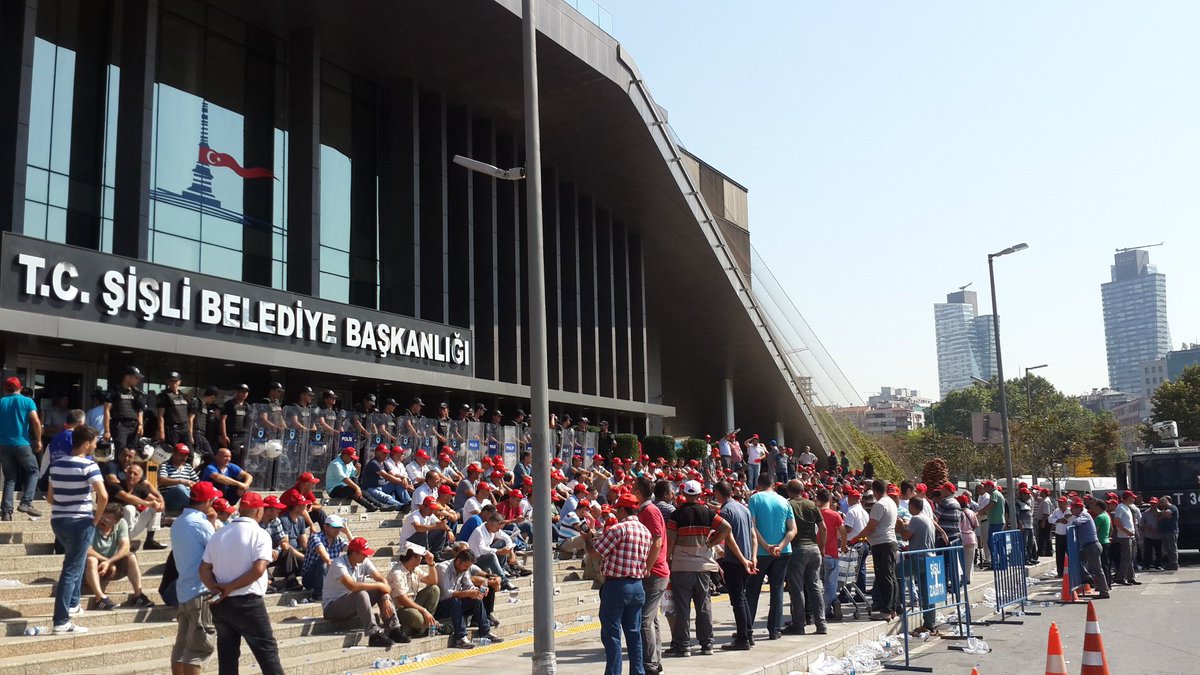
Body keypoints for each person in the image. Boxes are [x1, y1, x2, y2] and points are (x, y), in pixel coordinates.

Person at [200, 492, 285, 675]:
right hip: (248, 603)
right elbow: (259, 569)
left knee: (227, 656)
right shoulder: (259, 534)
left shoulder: (219, 534)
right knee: (268, 654)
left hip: (222, 603)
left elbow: (204, 569)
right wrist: (229, 587)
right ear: (259, 512)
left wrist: (216, 589)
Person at [665, 479, 736, 657]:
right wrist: (711, 543)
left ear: (685, 494)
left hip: (681, 566)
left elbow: (671, 541)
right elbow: (727, 528)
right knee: (703, 605)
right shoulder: (707, 513)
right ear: (699, 494)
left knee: (682, 607)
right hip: (703, 566)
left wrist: (666, 561)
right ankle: (707, 644)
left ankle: (684, 645)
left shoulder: (677, 515)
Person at [46, 425, 106, 633]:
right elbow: (104, 496)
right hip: (80, 521)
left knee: (76, 562)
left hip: (58, 521)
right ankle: (61, 621)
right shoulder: (89, 466)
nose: (96, 445)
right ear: (87, 443)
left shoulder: (56, 465)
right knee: (70, 570)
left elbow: (50, 498)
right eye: (95, 442)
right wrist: (96, 519)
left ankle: (73, 604)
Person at [584, 492, 651, 675]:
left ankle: (614, 672)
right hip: (637, 585)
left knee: (612, 634)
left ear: (622, 509)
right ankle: (638, 671)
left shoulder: (618, 529)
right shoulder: (645, 531)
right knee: (634, 633)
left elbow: (595, 553)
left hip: (616, 586)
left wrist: (587, 539)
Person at [170, 481, 220, 675]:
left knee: (182, 646)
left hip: (184, 589)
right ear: (207, 501)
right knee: (198, 647)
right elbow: (216, 551)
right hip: (200, 590)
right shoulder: (200, 523)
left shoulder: (179, 522)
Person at [322, 536, 404, 647]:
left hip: (352, 604)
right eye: (363, 553)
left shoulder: (364, 561)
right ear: (354, 553)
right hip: (332, 607)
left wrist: (385, 597)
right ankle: (374, 634)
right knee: (361, 593)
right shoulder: (338, 564)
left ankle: (394, 628)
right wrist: (380, 585)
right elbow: (352, 586)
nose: (366, 556)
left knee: (378, 590)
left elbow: (382, 580)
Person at [746, 472, 796, 640]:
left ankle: (747, 629)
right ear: (773, 485)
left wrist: (766, 545)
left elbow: (751, 526)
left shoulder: (754, 499)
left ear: (758, 484)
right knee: (777, 590)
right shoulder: (784, 501)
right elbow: (792, 529)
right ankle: (774, 629)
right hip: (783, 551)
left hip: (761, 552)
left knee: (752, 591)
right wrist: (780, 546)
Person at [714, 480, 757, 650]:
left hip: (735, 561)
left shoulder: (725, 511)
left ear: (718, 493)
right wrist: (752, 557)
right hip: (747, 558)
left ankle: (742, 638)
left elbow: (729, 538)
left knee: (737, 599)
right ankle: (747, 633)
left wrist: (741, 559)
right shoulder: (743, 509)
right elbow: (753, 535)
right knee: (743, 597)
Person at [631, 477, 669, 674]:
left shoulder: (650, 511)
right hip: (655, 571)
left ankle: (650, 664)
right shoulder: (647, 510)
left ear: (638, 492)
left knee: (644, 619)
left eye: (632, 489)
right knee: (651, 619)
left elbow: (657, 540)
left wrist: (647, 566)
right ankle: (655, 660)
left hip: (655, 573)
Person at [83, 502, 152, 610]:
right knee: (91, 560)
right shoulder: (91, 523)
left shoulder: (121, 523)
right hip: (90, 567)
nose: (101, 520)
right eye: (101, 516)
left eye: (106, 519)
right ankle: (99, 598)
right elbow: (87, 550)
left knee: (131, 556)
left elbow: (125, 548)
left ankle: (138, 595)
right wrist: (107, 561)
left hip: (110, 565)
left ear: (116, 521)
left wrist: (109, 562)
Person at [434, 548, 502, 649]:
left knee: (476, 600)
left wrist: (477, 591)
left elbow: (468, 585)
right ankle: (460, 638)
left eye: (468, 567)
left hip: (455, 603)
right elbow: (445, 594)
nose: (466, 569)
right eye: (465, 566)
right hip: (441, 606)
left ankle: (485, 631)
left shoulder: (464, 569)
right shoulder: (443, 568)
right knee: (455, 601)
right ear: (458, 561)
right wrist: (467, 593)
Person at [783, 479, 826, 636]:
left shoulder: (788, 505)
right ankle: (821, 624)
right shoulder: (812, 505)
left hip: (797, 549)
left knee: (797, 588)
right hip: (814, 549)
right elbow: (823, 528)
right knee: (815, 587)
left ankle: (798, 624)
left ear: (789, 491)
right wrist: (821, 547)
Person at [0, 375, 43, 519]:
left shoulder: (1, 402)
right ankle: (26, 502)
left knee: (9, 478)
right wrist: (38, 440)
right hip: (21, 444)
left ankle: (6, 512)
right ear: (21, 388)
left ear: (5, 388)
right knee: (33, 470)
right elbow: (36, 422)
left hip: (4, 445)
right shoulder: (27, 401)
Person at [856, 479, 898, 621]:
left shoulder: (879, 505)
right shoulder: (891, 502)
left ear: (874, 490)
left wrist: (856, 537)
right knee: (891, 576)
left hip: (882, 543)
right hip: (889, 542)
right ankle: (893, 608)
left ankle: (886, 610)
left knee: (884, 577)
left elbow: (871, 526)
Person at [901, 498, 938, 638]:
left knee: (897, 573)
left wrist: (901, 526)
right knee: (927, 593)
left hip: (920, 558)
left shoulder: (915, 519)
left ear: (911, 506)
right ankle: (929, 623)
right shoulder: (927, 518)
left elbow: (906, 535)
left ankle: (897, 605)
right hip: (929, 557)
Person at [387, 548, 442, 639]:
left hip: (413, 603)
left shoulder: (415, 569)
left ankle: (427, 624)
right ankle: (427, 625)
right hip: (400, 609)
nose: (421, 558)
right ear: (413, 558)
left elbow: (433, 581)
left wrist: (431, 564)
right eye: (420, 556)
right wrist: (424, 611)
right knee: (419, 619)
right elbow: (403, 600)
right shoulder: (397, 573)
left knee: (434, 589)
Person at [816, 488, 847, 622]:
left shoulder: (815, 514)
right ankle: (827, 608)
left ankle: (818, 608)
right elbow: (843, 531)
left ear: (817, 500)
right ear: (829, 499)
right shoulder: (835, 515)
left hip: (817, 553)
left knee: (817, 583)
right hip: (832, 553)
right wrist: (844, 545)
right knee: (830, 584)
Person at [301, 514, 350, 599]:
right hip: (310, 578)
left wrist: (347, 532)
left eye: (339, 528)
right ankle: (318, 595)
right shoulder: (315, 537)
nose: (337, 530)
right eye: (334, 527)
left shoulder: (338, 540)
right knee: (323, 561)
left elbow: (355, 550)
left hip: (328, 576)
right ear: (325, 527)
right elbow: (322, 552)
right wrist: (331, 563)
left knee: (350, 558)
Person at [326, 446, 386, 511]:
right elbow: (345, 479)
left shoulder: (349, 463)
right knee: (352, 489)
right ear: (345, 455)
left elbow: (355, 475)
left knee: (362, 491)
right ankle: (369, 506)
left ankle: (379, 504)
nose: (352, 460)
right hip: (333, 490)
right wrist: (357, 487)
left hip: (344, 487)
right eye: (351, 458)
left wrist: (358, 469)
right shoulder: (336, 464)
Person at [1073, 499, 1110, 599]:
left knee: (1097, 570)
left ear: (1078, 509)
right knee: (1076, 560)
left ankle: (1104, 591)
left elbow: (1076, 522)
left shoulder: (1084, 515)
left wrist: (1071, 523)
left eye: (1073, 509)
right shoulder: (1084, 515)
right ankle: (1087, 577)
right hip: (1089, 546)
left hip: (1092, 546)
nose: (1071, 511)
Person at [103, 367, 146, 453]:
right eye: (136, 377)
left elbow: (140, 410)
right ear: (128, 377)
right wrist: (107, 431)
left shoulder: (137, 393)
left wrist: (140, 425)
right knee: (121, 452)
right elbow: (106, 410)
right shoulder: (114, 390)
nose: (138, 380)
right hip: (120, 425)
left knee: (132, 453)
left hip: (134, 426)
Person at [157, 372, 195, 450]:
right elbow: (160, 415)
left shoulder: (184, 396)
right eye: (171, 381)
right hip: (173, 430)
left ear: (179, 382)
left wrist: (190, 433)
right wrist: (161, 432)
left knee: (190, 453)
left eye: (176, 381)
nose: (174, 383)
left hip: (185, 429)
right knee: (174, 452)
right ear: (168, 382)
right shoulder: (164, 396)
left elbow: (190, 415)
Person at [159, 443, 201, 512]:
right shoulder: (165, 465)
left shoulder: (188, 467)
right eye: (181, 454)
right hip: (170, 499)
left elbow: (197, 482)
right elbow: (162, 480)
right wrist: (181, 481)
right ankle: (193, 508)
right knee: (180, 488)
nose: (184, 457)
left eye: (186, 455)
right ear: (174, 454)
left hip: (186, 496)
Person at [1111, 491, 1140, 586]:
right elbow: (1116, 521)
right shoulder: (1120, 507)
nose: (1134, 499)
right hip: (1124, 536)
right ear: (1127, 498)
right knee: (1126, 558)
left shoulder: (1127, 507)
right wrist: (1126, 531)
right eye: (1132, 497)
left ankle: (1130, 577)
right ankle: (1121, 577)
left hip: (1130, 535)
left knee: (1130, 558)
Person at [219, 384, 252, 466]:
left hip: (245, 436)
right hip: (234, 436)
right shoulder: (229, 404)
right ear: (237, 392)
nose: (244, 394)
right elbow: (223, 420)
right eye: (242, 391)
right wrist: (224, 436)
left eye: (246, 392)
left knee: (245, 459)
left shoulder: (247, 406)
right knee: (235, 459)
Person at [1049, 496, 1073, 578]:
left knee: (1069, 554)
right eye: (1059, 502)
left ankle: (1071, 571)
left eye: (1061, 502)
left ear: (1066, 503)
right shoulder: (1056, 511)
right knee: (1059, 555)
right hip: (1059, 534)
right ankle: (1060, 572)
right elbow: (1050, 519)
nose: (1060, 504)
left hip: (1068, 535)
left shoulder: (1070, 511)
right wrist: (1058, 520)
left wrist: (1069, 517)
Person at [1157, 496, 1180, 571]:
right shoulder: (1165, 509)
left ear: (1166, 501)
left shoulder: (1173, 507)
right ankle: (1170, 563)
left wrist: (1162, 514)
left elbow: (1165, 514)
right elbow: (1159, 517)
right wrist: (1163, 514)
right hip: (1165, 531)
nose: (1161, 506)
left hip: (1171, 531)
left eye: (1162, 503)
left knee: (1172, 548)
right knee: (1167, 549)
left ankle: (1174, 564)